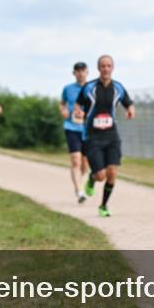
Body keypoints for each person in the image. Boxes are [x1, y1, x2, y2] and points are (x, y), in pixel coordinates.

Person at [74, 55, 135, 217]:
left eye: (109, 66)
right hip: (92, 137)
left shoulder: (118, 88)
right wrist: (78, 111)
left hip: (111, 135)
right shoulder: (89, 87)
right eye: (103, 66)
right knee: (101, 175)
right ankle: (92, 179)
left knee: (112, 172)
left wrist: (130, 109)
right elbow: (78, 104)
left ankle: (103, 206)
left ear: (112, 68)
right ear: (98, 68)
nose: (106, 69)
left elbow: (128, 103)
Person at [60, 62, 91, 203]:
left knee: (85, 164)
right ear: (74, 73)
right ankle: (79, 191)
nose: (80, 73)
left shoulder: (92, 88)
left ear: (87, 72)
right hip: (72, 127)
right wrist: (64, 110)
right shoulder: (68, 88)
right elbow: (62, 103)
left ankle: (79, 185)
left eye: (82, 71)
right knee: (75, 160)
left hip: (88, 129)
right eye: (77, 71)